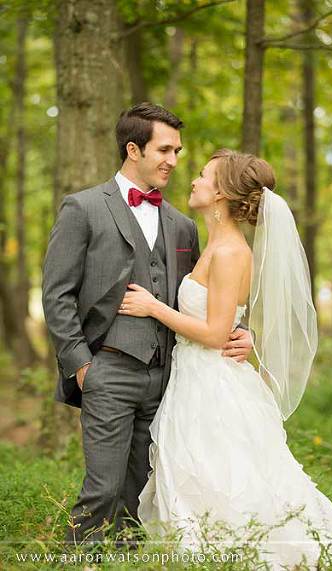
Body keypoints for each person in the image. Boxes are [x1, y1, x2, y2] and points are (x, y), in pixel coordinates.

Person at [118, 149, 332, 567]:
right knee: (202, 473)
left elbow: (213, 333)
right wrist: (241, 330)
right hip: (194, 376)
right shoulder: (213, 245)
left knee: (221, 474)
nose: (193, 180)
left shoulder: (230, 252)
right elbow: (224, 319)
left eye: (203, 176)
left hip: (212, 382)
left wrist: (154, 307)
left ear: (222, 193)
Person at [42, 103, 252, 544]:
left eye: (178, 151)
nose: (174, 161)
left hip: (171, 380)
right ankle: (71, 559)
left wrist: (241, 330)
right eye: (165, 150)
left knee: (145, 494)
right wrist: (82, 364)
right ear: (133, 149)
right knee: (102, 489)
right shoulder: (82, 208)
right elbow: (57, 294)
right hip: (108, 370)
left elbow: (207, 297)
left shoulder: (181, 225)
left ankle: (129, 558)